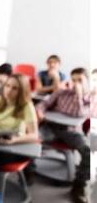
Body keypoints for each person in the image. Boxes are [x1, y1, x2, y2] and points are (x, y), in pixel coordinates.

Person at [0, 74, 39, 203]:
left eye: (15, 88)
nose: (9, 90)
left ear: (21, 91)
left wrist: (15, 140)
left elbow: (34, 135)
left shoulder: (27, 105)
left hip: (18, 148)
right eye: (7, 86)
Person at [36, 67, 91, 203]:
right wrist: (41, 112)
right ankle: (29, 172)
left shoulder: (90, 98)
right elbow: (43, 103)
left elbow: (80, 114)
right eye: (73, 80)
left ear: (86, 81)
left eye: (79, 80)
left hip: (70, 131)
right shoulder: (61, 92)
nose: (75, 83)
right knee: (31, 138)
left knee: (87, 151)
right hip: (51, 127)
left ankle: (78, 187)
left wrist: (78, 95)